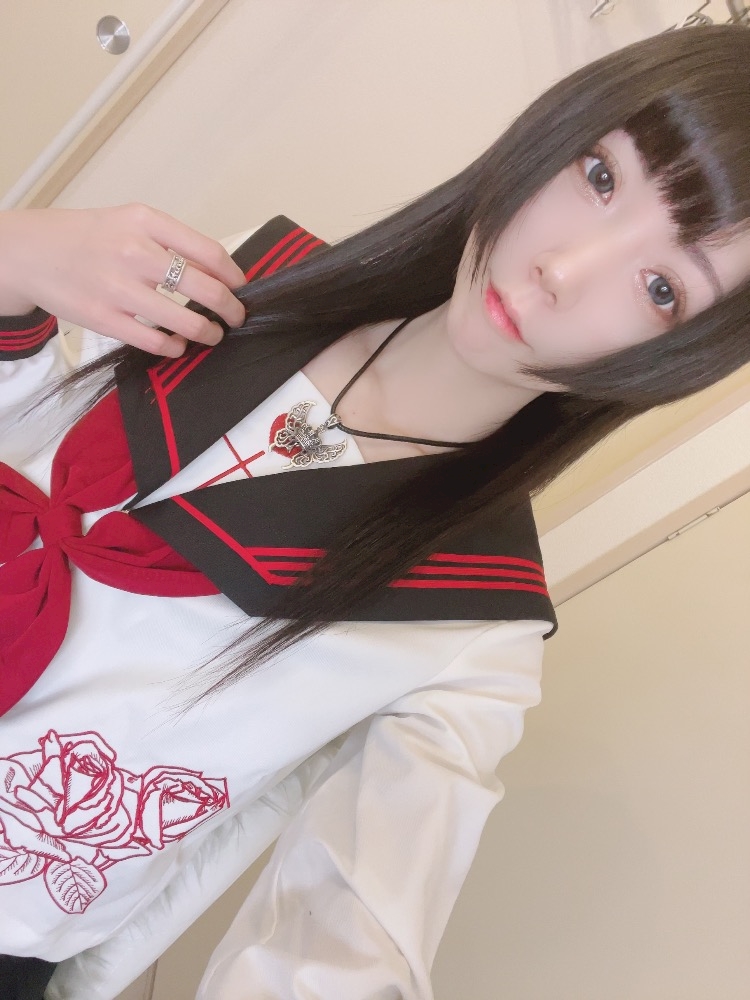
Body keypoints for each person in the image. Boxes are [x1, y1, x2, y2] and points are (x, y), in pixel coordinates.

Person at [1, 22, 749, 1000]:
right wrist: (15, 260)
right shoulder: (255, 276)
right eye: (601, 177)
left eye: (659, 287)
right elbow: (33, 438)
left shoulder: (474, 629)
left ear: (675, 359)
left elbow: (352, 935)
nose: (564, 270)